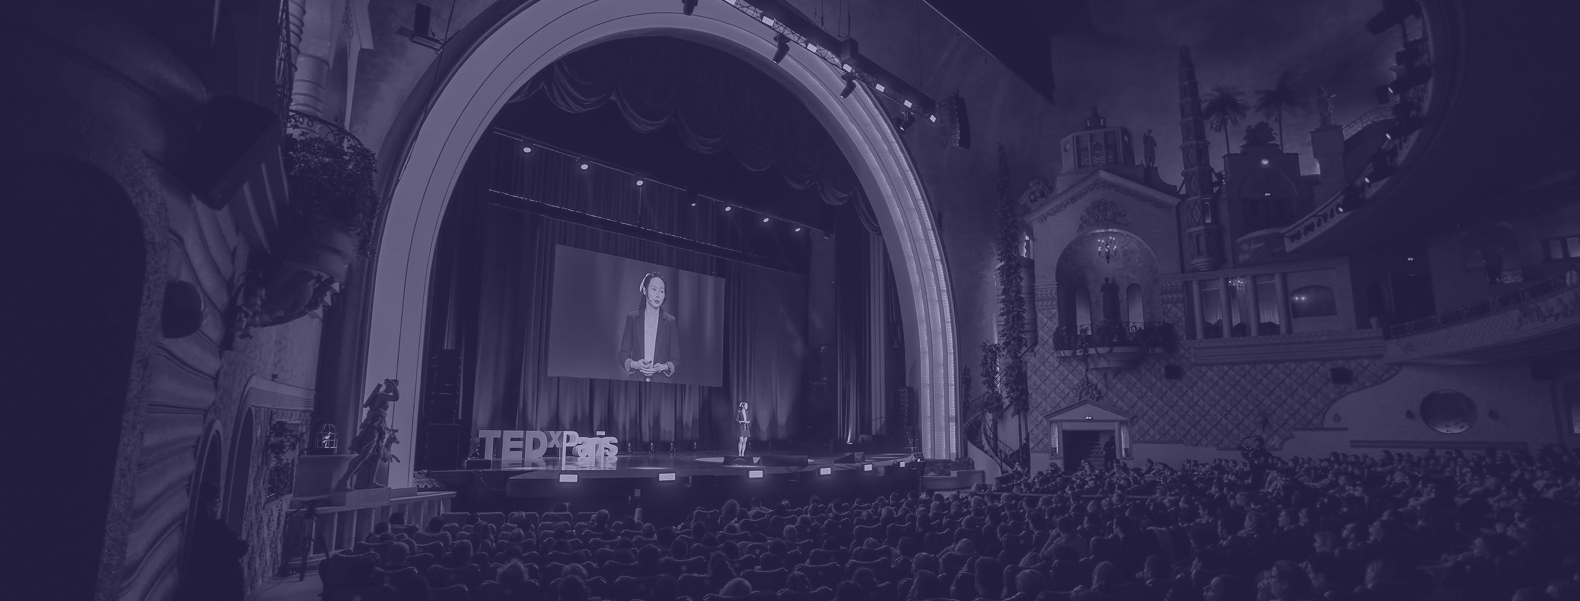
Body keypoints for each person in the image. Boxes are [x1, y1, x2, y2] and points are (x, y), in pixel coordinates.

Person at [619, 272, 679, 382]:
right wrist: (635, 364)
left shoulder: (670, 321)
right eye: (654, 289)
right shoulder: (632, 318)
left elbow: (675, 360)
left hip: (662, 385)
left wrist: (663, 367)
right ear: (645, 291)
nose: (658, 295)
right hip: (636, 382)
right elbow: (623, 354)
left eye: (661, 291)